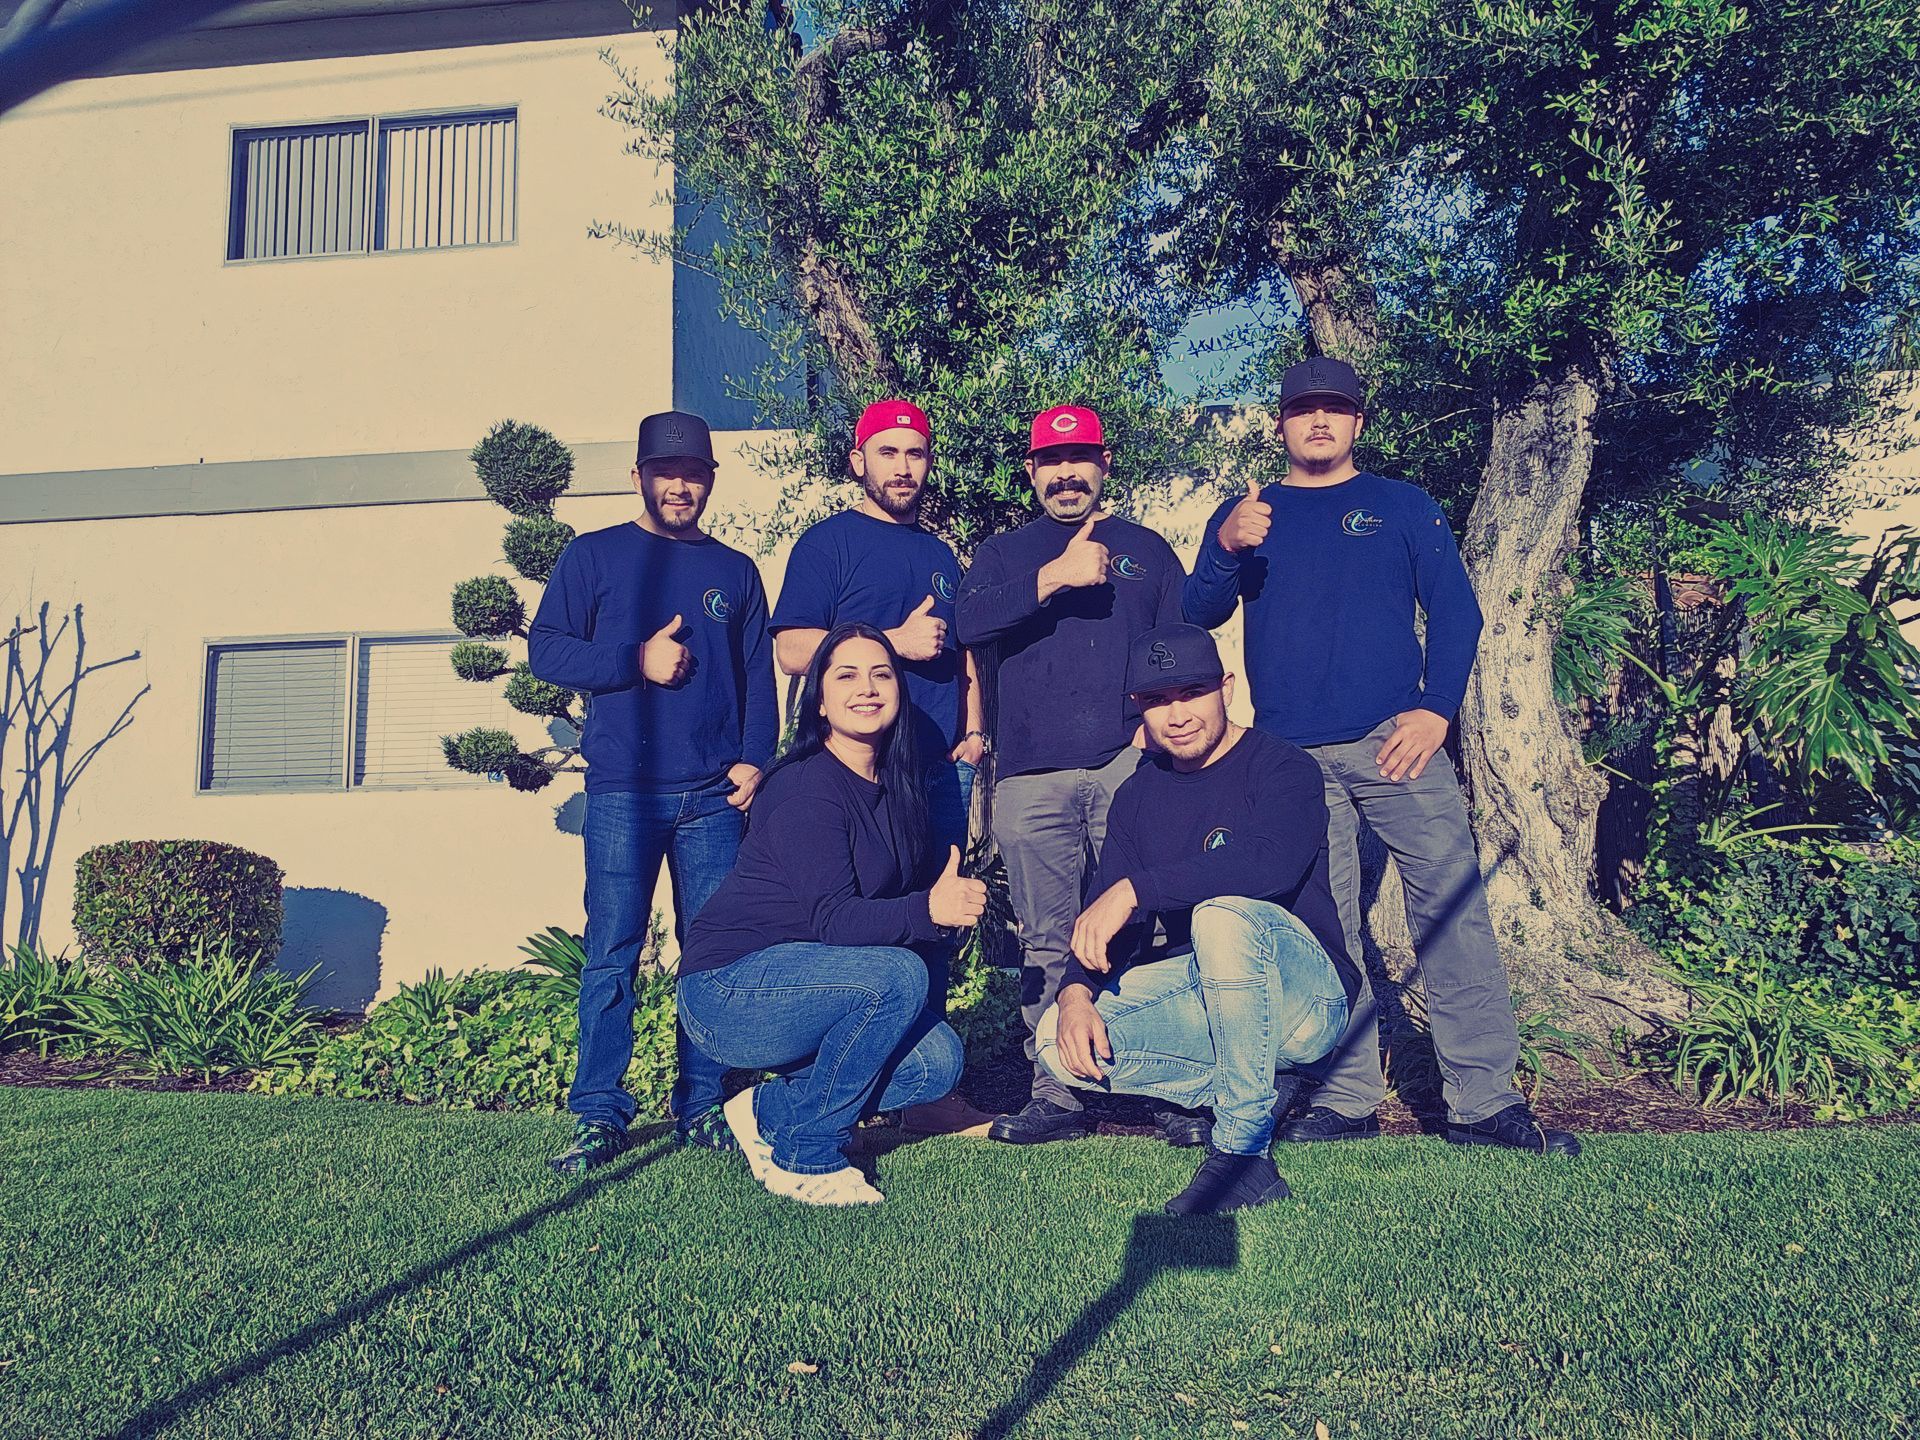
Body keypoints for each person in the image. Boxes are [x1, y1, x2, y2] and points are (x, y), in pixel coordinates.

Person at [1184, 356, 1579, 1155]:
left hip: (1395, 744)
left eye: (1335, 409)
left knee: (1452, 911)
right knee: (1324, 926)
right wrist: (1225, 547)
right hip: (1289, 755)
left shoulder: (1402, 506)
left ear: (1359, 422)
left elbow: (1459, 617)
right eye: (1303, 410)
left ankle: (1482, 1102)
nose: (1319, 422)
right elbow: (1196, 615)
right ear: (1281, 424)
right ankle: (1347, 1096)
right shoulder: (1249, 512)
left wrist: (1436, 712)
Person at [1035, 623, 1359, 1215]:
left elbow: (1270, 865)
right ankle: (1254, 1090)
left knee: (1223, 914)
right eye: (1158, 700)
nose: (1177, 714)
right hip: (1216, 994)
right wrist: (1077, 993)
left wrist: (1140, 888)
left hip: (1305, 1000)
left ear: (1226, 688)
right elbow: (1114, 916)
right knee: (1057, 1041)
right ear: (1139, 710)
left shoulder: (1283, 767)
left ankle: (1243, 1156)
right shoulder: (1138, 795)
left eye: (1191, 692)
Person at [530, 410, 776, 1176]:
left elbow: (759, 673)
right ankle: (599, 1114)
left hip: (712, 798)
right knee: (611, 956)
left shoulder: (735, 570)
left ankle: (700, 1106)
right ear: (638, 476)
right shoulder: (594, 556)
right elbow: (548, 650)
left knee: (709, 957)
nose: (681, 485)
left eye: (694, 473)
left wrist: (754, 759)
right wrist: (636, 657)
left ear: (709, 481)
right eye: (667, 472)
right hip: (624, 794)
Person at [677, 623, 987, 1205]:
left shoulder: (894, 787)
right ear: (820, 698)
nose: (866, 688)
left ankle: (766, 1109)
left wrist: (936, 907)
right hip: (730, 992)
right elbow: (836, 922)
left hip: (810, 983)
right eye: (846, 675)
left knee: (935, 1063)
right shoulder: (805, 789)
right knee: (897, 976)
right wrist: (928, 908)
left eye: (881, 674)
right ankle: (805, 1154)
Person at [954, 404, 1193, 1147]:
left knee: (1150, 923)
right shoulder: (1002, 555)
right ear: (1030, 471)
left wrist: (1163, 732)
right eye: (1051, 462)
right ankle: (1056, 1092)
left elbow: (1179, 648)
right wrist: (1053, 578)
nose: (1067, 474)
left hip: (1130, 765)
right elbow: (968, 624)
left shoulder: (1147, 550)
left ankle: (1168, 1082)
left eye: (1080, 458)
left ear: (1105, 464)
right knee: (1049, 938)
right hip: (1028, 776)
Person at [770, 399, 989, 1132]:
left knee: (937, 924)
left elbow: (959, 653)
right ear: (859, 461)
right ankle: (846, 1080)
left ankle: (922, 1089)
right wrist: (891, 640)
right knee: (863, 921)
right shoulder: (828, 544)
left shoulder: (938, 553)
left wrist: (974, 730)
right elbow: (794, 650)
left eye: (916, 453)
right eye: (888, 452)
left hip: (939, 768)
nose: (903, 467)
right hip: (864, 777)